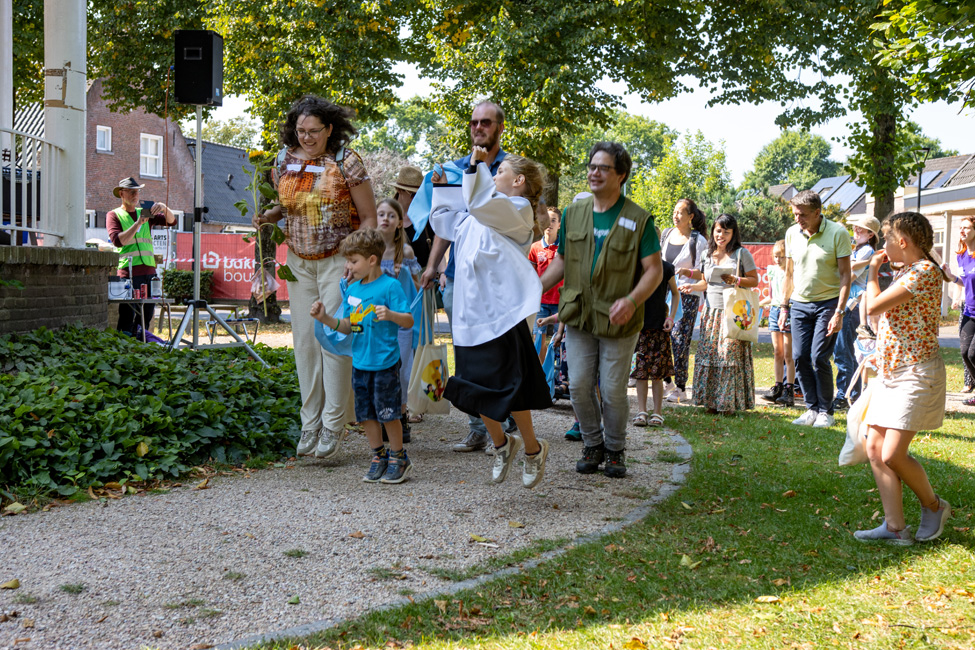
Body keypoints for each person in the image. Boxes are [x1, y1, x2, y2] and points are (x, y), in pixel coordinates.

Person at [254, 95, 377, 459]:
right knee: (305, 343)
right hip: (298, 261)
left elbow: (369, 217)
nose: (306, 137)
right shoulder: (283, 161)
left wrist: (359, 263)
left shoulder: (346, 161)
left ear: (330, 129)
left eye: (314, 131)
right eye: (300, 130)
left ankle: (333, 424)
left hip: (339, 261)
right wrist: (267, 216)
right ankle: (310, 423)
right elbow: (286, 207)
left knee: (332, 340)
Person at [429, 149, 552, 488]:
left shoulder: (518, 210)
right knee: (474, 387)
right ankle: (502, 445)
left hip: (502, 314)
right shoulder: (477, 213)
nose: (493, 174)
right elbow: (444, 220)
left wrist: (473, 166)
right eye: (491, 171)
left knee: (512, 386)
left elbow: (483, 204)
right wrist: (442, 188)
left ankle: (532, 449)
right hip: (472, 316)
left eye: (500, 171)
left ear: (519, 180)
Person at [540, 141, 663, 478]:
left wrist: (633, 300)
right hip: (579, 313)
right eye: (591, 166)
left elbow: (654, 269)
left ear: (620, 174)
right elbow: (562, 261)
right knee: (578, 385)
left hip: (619, 319)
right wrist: (534, 287)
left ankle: (615, 448)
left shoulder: (639, 219)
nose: (594, 173)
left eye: (603, 167)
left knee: (610, 390)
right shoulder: (572, 214)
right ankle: (592, 443)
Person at [420, 100, 512, 453]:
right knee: (467, 353)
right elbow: (448, 222)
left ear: (499, 128)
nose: (478, 128)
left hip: (498, 278)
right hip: (460, 277)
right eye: (474, 122)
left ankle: (500, 428)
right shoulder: (456, 170)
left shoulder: (510, 169)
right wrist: (432, 265)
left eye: (486, 122)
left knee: (496, 352)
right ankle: (476, 426)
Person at [854, 212, 950, 545]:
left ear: (903, 242)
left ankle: (934, 506)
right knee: (874, 447)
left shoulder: (923, 272)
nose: (883, 246)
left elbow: (874, 307)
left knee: (893, 452)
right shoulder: (908, 270)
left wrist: (870, 271)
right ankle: (895, 528)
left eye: (887, 240)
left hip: (916, 373)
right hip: (892, 372)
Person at [310, 229, 414, 483]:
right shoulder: (353, 290)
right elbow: (347, 326)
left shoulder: (391, 286)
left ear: (372, 260)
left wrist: (390, 315)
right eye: (347, 260)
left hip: (385, 363)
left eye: (353, 261)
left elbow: (409, 320)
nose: (348, 266)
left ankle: (399, 457)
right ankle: (378, 455)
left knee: (388, 413)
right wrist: (325, 319)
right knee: (365, 414)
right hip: (360, 363)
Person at [779, 190, 852, 428]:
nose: (797, 219)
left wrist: (839, 312)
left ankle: (826, 411)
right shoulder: (792, 233)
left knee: (818, 356)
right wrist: (784, 306)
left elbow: (845, 276)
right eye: (795, 214)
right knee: (799, 357)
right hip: (799, 304)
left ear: (818, 212)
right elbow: (789, 274)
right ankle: (811, 409)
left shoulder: (838, 232)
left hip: (828, 304)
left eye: (802, 215)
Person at [678, 213, 759, 415]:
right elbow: (706, 281)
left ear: (733, 233)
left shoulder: (741, 254)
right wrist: (692, 285)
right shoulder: (707, 254)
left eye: (726, 231)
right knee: (710, 356)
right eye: (718, 230)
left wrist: (735, 280)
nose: (721, 235)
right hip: (710, 312)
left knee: (728, 358)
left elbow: (754, 280)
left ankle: (728, 403)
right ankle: (711, 402)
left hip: (732, 313)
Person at [106, 176, 176, 336]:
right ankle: (125, 346)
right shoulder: (114, 215)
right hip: (128, 274)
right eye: (131, 192)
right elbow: (118, 241)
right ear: (121, 194)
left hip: (149, 274)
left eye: (137, 192)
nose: (135, 195)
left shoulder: (144, 212)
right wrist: (138, 224)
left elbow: (172, 222)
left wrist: (164, 207)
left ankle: (141, 346)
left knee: (146, 315)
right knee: (127, 315)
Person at [376, 197, 422, 436]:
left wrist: (402, 274)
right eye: (381, 214)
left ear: (400, 223)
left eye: (391, 215)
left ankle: (401, 415)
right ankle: (385, 416)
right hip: (376, 323)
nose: (385, 219)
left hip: (402, 322)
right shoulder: (370, 250)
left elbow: (418, 284)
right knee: (380, 370)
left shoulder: (405, 251)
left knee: (402, 370)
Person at [659, 198, 709, 403]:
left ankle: (680, 386)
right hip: (663, 294)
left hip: (686, 295)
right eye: (674, 211)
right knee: (661, 336)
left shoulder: (699, 241)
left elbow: (704, 273)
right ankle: (667, 382)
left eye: (680, 212)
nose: (676, 215)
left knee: (679, 341)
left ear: (691, 217)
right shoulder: (666, 234)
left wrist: (686, 272)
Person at [833, 215, 881, 410]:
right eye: (855, 228)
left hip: (851, 305)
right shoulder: (859, 250)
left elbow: (849, 276)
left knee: (843, 352)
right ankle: (852, 393)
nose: (856, 231)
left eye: (861, 229)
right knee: (845, 352)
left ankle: (844, 395)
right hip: (848, 303)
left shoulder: (867, 250)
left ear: (871, 234)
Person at [631, 261, 679, 427]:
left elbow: (675, 293)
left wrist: (671, 317)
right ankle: (642, 411)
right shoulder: (635, 266)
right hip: (639, 327)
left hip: (659, 327)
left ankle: (657, 412)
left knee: (658, 374)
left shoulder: (665, 267)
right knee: (640, 373)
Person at [942, 216, 975, 401]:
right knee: (964, 352)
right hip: (969, 311)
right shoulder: (961, 256)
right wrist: (951, 276)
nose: (962, 231)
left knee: (974, 353)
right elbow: (965, 281)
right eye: (961, 227)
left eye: (967, 228)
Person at [759, 240, 796, 407]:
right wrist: (758, 303)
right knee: (777, 351)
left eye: (781, 256)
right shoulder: (773, 271)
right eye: (775, 256)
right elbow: (772, 295)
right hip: (774, 311)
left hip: (787, 309)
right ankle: (778, 386)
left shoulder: (793, 272)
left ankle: (790, 388)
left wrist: (785, 306)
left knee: (788, 353)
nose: (777, 260)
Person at [529, 205, 563, 358]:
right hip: (540, 301)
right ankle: (540, 373)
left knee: (560, 339)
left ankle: (558, 375)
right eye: (547, 220)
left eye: (554, 220)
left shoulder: (564, 247)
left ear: (559, 224)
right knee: (538, 339)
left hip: (560, 302)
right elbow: (530, 275)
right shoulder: (534, 248)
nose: (550, 224)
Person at [393, 165, 436, 270]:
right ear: (399, 190)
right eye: (413, 194)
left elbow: (436, 247)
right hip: (391, 277)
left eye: (420, 194)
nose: (417, 198)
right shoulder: (385, 216)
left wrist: (442, 272)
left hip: (423, 279)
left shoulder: (427, 216)